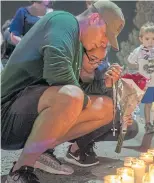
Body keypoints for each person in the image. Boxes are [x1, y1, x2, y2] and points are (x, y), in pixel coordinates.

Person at [1, 0, 126, 182]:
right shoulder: (64, 21)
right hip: (6, 114)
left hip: (26, 115)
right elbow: (57, 72)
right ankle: (20, 171)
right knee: (73, 97)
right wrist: (84, 100)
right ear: (94, 19)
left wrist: (105, 84)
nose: (104, 42)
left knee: (107, 107)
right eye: (105, 35)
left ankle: (41, 152)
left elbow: (74, 88)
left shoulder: (76, 44)